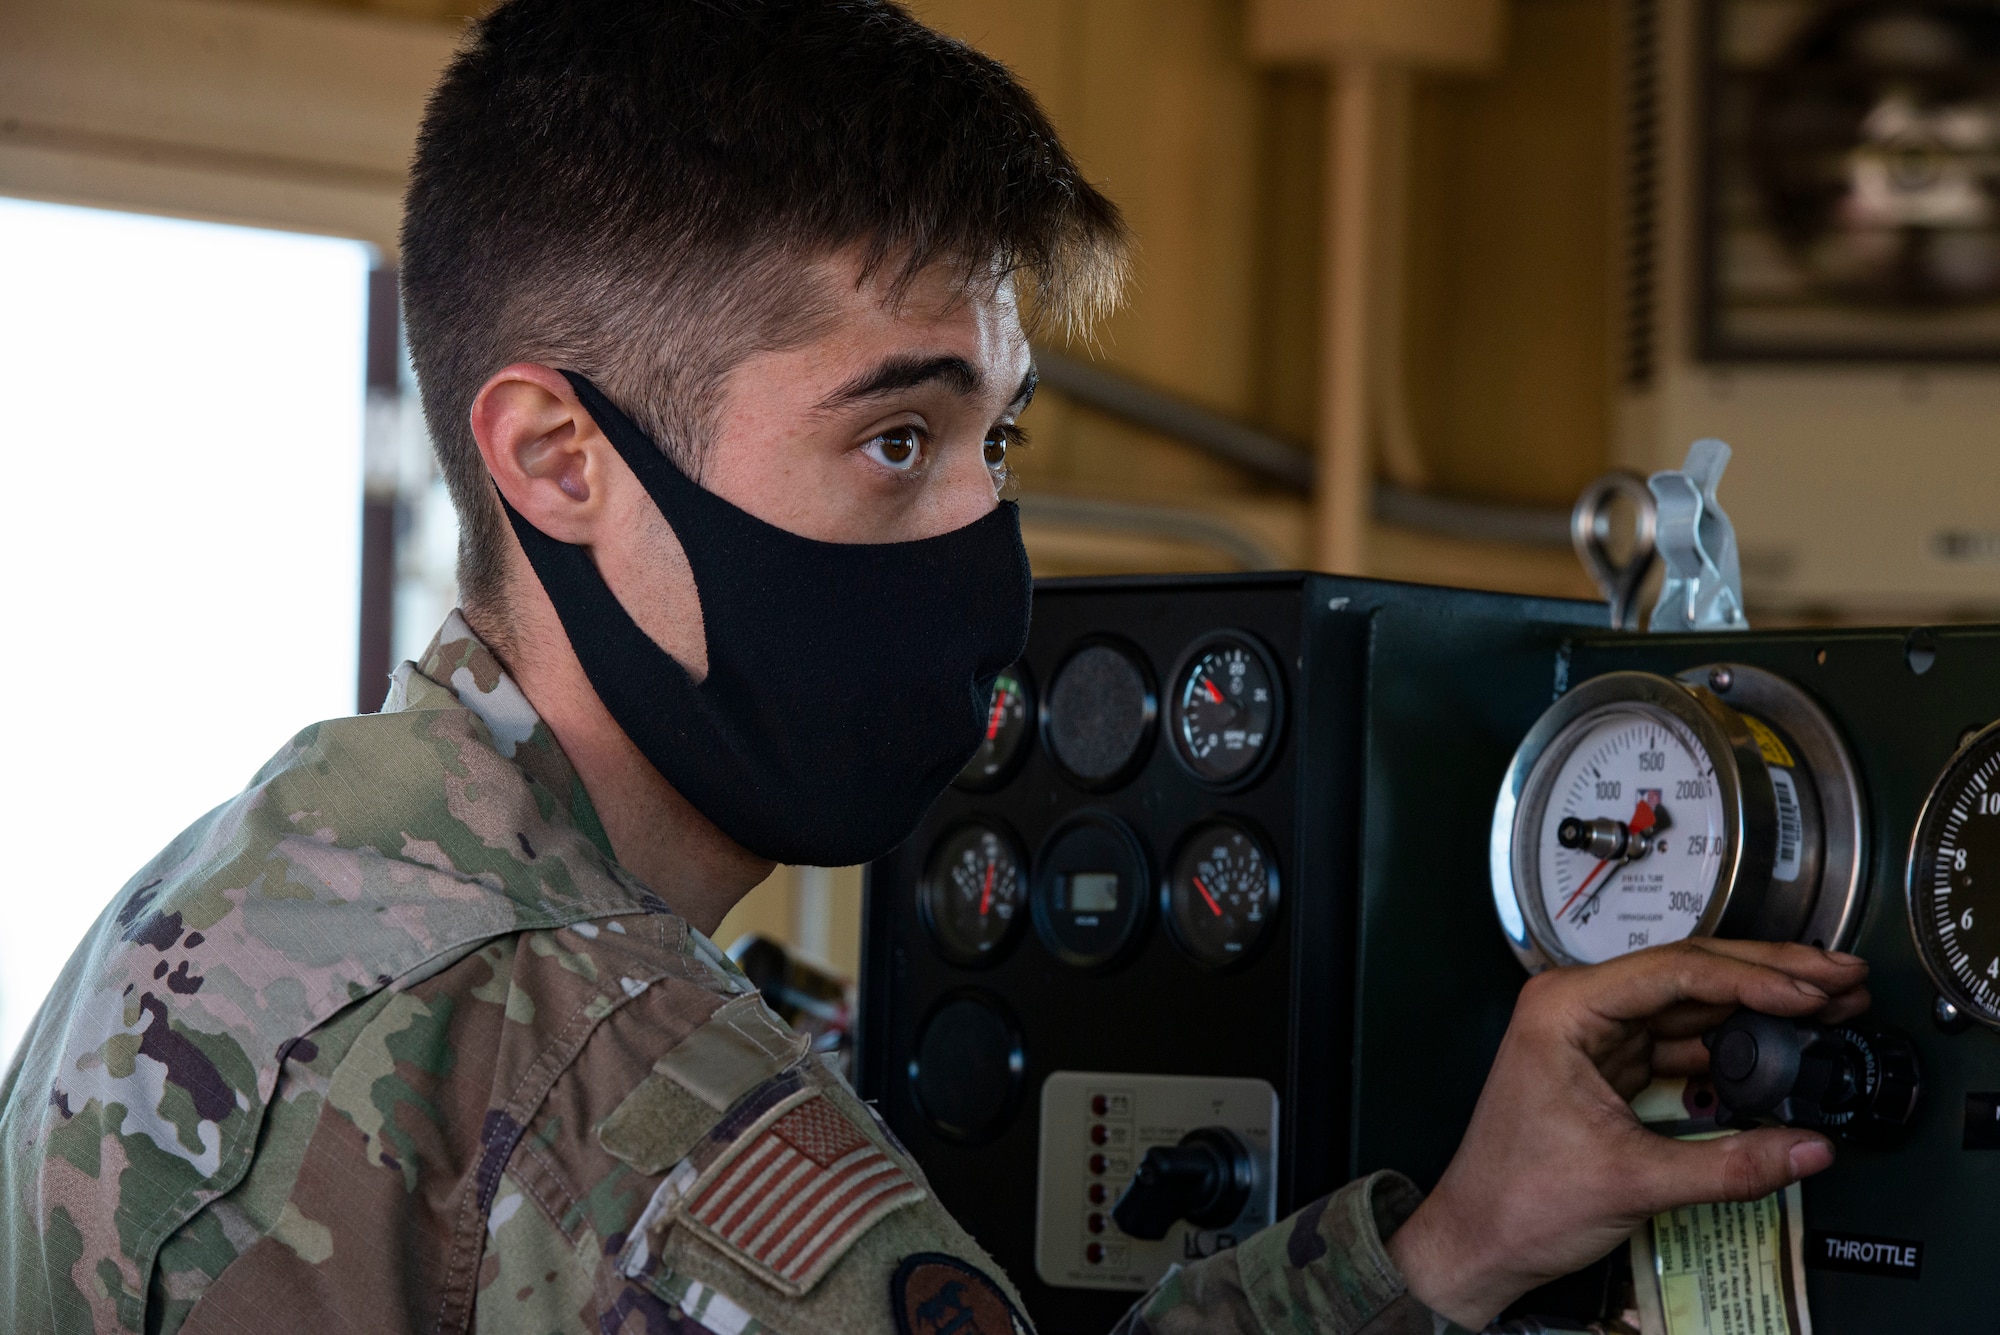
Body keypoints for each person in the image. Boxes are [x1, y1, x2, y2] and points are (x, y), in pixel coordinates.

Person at [0, 2, 1872, 1332]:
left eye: (1003, 443)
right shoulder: (630, 1099)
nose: (988, 554)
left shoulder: (222, 905)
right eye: (898, 441)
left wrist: (1452, 1246)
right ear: (558, 461)